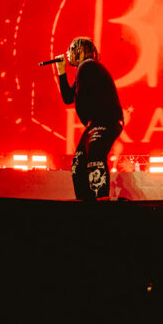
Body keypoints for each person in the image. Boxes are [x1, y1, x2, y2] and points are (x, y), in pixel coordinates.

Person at [54, 36, 123, 201]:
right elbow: (68, 98)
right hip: (98, 122)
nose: (67, 53)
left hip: (105, 120)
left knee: (95, 155)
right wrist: (61, 71)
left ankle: (100, 199)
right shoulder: (85, 69)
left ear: (80, 51)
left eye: (71, 49)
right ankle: (86, 201)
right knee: (78, 163)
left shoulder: (88, 66)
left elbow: (74, 97)